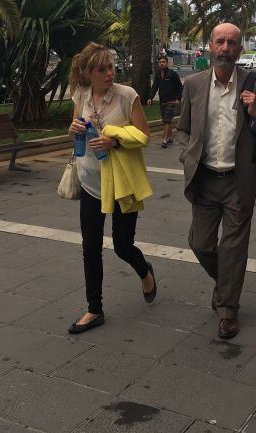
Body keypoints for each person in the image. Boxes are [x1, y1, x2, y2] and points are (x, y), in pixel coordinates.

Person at [177, 23, 256, 339]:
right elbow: (183, 129)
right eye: (220, 42)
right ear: (210, 45)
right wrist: (187, 155)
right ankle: (226, 284)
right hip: (205, 179)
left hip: (239, 180)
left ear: (240, 49)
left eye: (232, 43)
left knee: (234, 249)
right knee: (200, 243)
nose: (225, 48)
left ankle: (227, 310)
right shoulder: (193, 84)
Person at [67, 43, 157, 334]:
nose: (109, 74)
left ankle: (145, 270)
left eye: (111, 67)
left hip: (121, 185)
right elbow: (74, 123)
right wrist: (74, 129)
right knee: (90, 248)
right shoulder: (80, 94)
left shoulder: (126, 96)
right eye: (101, 69)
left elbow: (144, 136)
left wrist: (114, 140)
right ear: (88, 73)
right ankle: (94, 309)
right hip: (92, 181)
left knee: (122, 246)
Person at [147, 56, 184, 148]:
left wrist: (178, 98)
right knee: (166, 121)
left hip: (171, 101)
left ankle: (165, 140)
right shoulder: (158, 74)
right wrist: (150, 98)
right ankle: (169, 138)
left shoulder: (172, 74)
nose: (161, 63)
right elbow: (154, 87)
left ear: (167, 63)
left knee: (167, 120)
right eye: (160, 62)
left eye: (163, 62)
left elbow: (180, 87)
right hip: (162, 101)